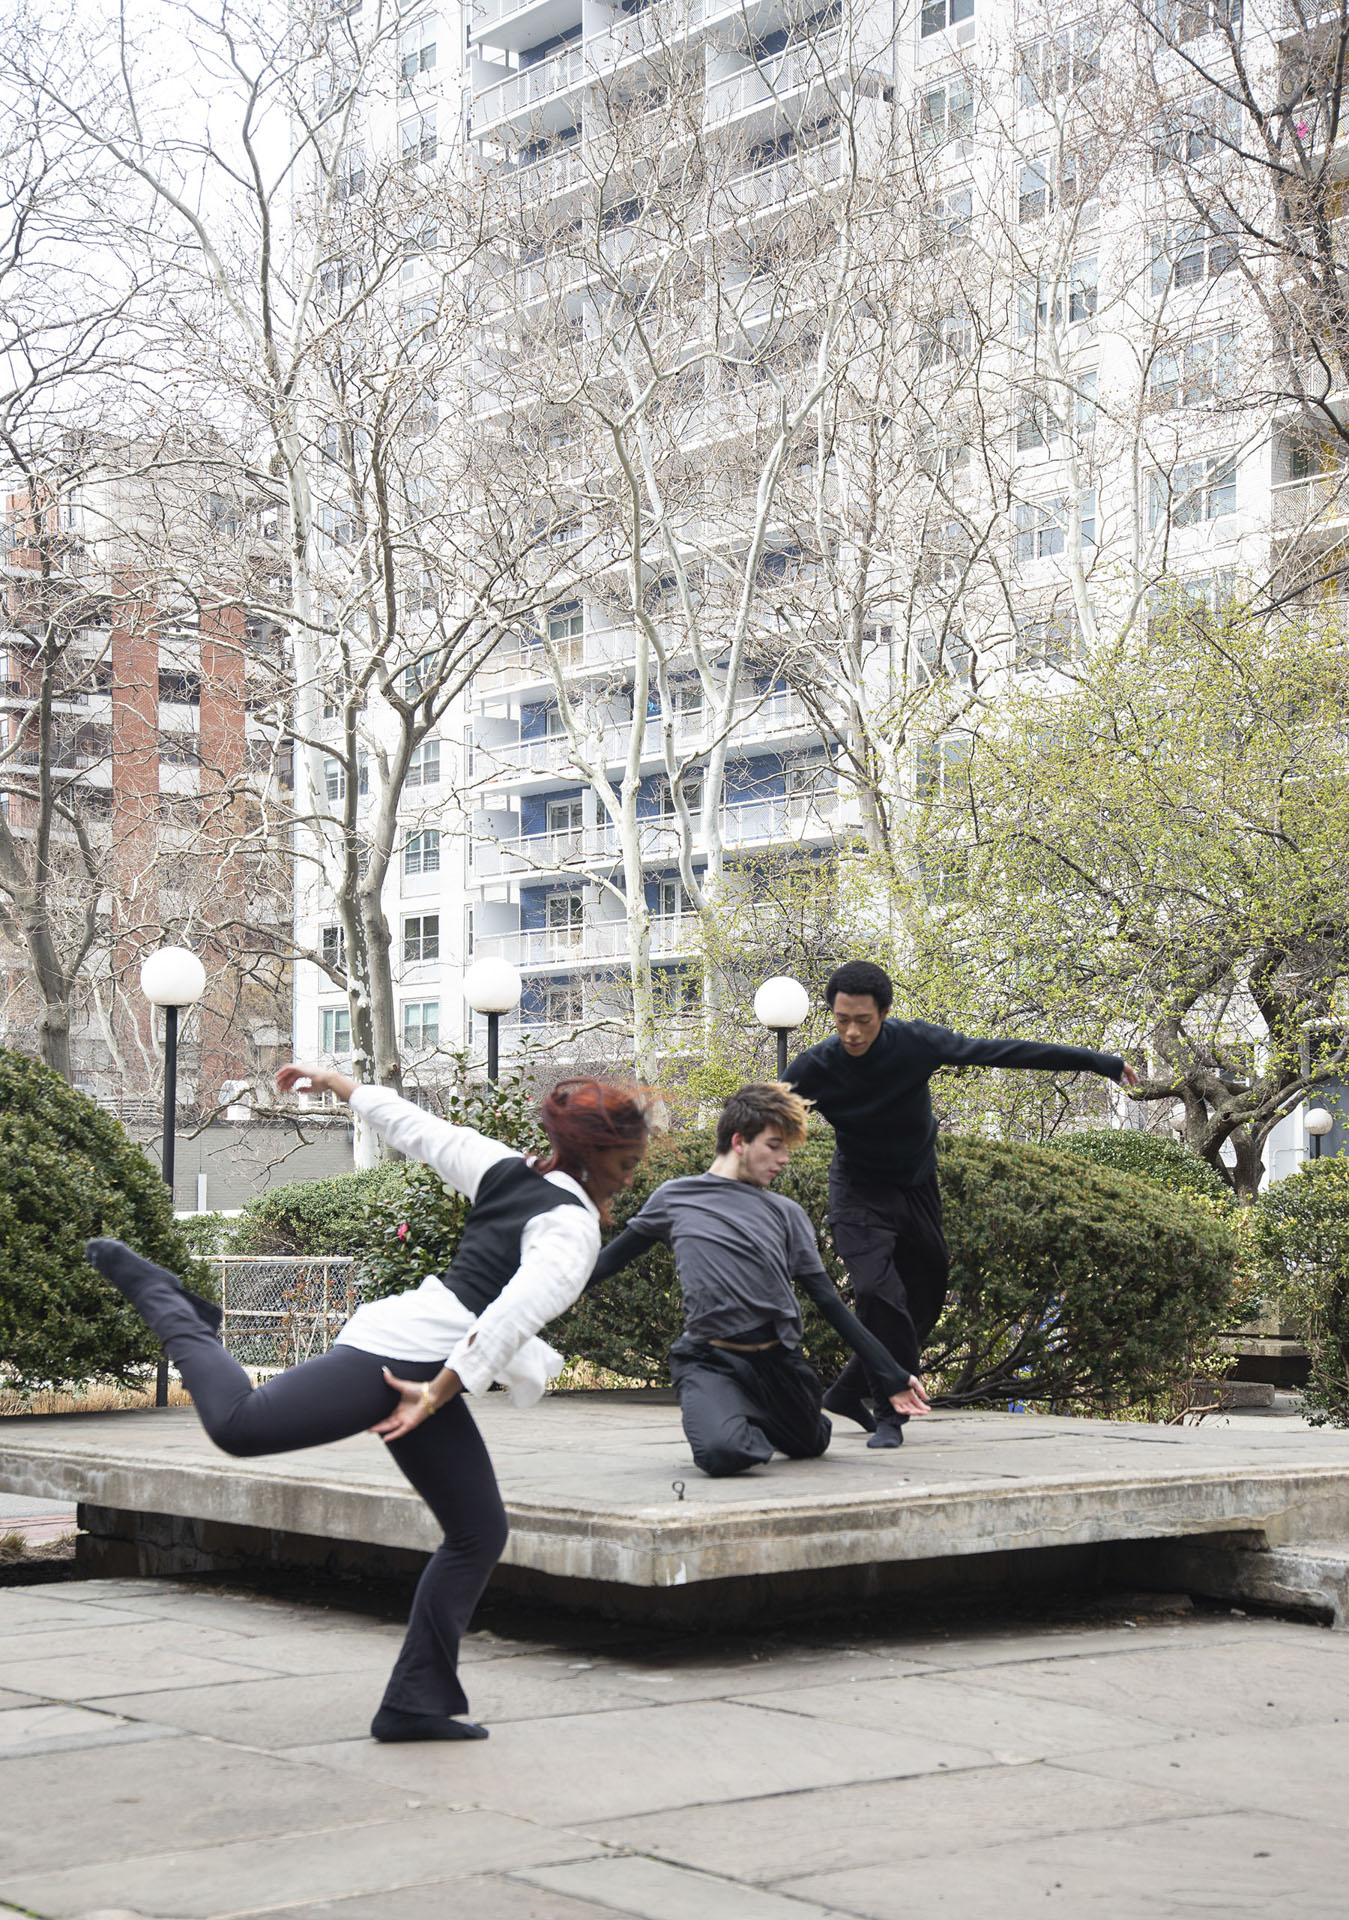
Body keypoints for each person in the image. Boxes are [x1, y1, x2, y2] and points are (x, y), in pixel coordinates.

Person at [85, 1064, 652, 1743]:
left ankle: (415, 1701)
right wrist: (438, 1391)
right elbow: (508, 1316)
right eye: (625, 1160)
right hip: (401, 1363)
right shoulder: (569, 1227)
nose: (630, 1174)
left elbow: (419, 1130)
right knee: (238, 1426)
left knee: (478, 1533)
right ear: (591, 1154)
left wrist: (340, 1084)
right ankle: (170, 1305)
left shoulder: (508, 1171)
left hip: (426, 1368)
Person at [784, 959, 1139, 1449]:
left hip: (916, 1186)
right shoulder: (815, 1066)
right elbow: (761, 1115)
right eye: (841, 1020)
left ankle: (846, 1392)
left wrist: (1096, 1061)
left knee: (924, 1301)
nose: (851, 1032)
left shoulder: (916, 1043)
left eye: (862, 1021)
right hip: (859, 1189)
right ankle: (890, 1411)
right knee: (875, 1291)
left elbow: (1001, 1052)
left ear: (884, 1013)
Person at [586, 1082, 930, 1477]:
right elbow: (606, 1263)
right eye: (774, 1145)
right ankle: (726, 1411)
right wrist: (531, 1296)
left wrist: (890, 1374)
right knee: (723, 1454)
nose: (784, 1159)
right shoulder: (675, 1198)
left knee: (810, 1445)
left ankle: (754, 1413)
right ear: (739, 1141)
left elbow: (829, 1302)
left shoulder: (786, 1213)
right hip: (709, 1360)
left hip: (779, 1364)